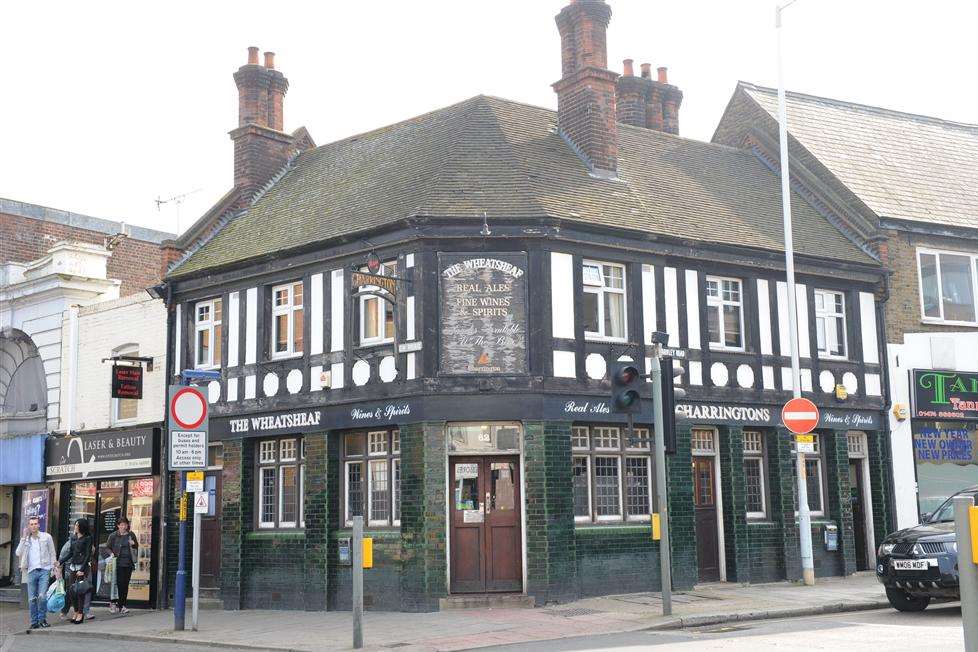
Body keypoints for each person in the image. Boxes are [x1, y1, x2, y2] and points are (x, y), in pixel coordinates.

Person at [14, 516, 57, 630]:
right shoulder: (26, 540)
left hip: (44, 569)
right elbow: (18, 553)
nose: (33, 526)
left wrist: (54, 568)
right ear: (28, 526)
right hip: (31, 571)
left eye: (35, 523)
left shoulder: (47, 537)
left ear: (39, 525)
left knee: (42, 597)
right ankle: (34, 622)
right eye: (31, 524)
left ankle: (42, 620)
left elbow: (52, 553)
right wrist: (23, 537)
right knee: (32, 599)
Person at [105, 516, 138, 614]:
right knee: (117, 584)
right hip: (117, 563)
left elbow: (136, 546)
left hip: (128, 563)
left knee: (125, 584)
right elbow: (107, 547)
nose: (124, 527)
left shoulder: (131, 534)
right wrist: (111, 554)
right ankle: (113, 603)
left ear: (127, 525)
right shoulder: (113, 535)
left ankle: (122, 605)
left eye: (125, 525)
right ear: (118, 526)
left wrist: (133, 544)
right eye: (121, 525)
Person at [66, 518, 94, 625]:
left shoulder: (87, 538)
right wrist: (60, 561)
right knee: (71, 590)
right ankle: (76, 611)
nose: (75, 526)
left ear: (82, 526)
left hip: (82, 567)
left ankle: (81, 614)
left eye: (77, 525)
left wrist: (82, 569)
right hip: (73, 566)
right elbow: (70, 553)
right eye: (75, 524)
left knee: (80, 591)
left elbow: (88, 554)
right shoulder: (73, 537)